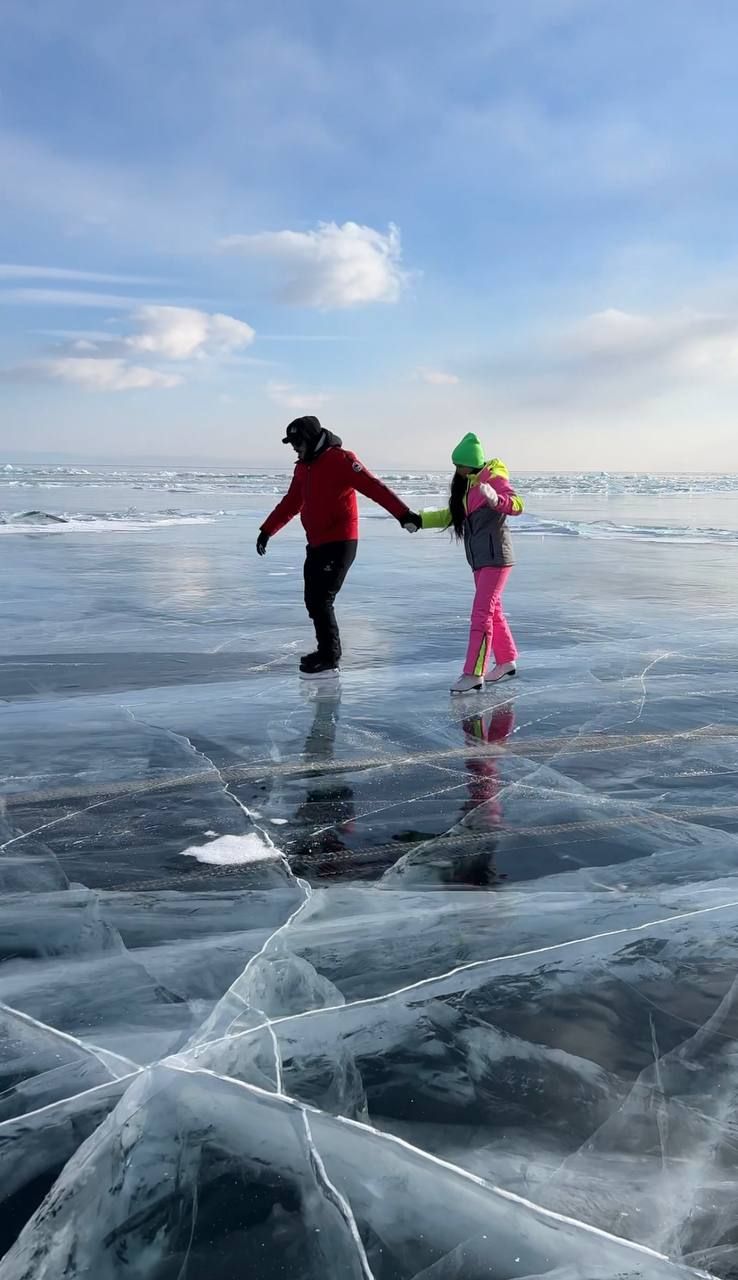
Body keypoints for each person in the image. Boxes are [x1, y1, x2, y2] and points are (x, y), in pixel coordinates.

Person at [257, 415, 421, 676]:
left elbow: (373, 487)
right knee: (313, 600)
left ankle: (330, 656)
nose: (294, 448)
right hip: (316, 543)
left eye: (297, 442)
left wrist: (403, 514)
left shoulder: (340, 460)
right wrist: (267, 530)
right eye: (292, 444)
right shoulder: (303, 467)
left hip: (340, 542)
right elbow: (291, 502)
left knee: (322, 599)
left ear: (310, 439)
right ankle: (326, 651)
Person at [416, 432, 524, 693]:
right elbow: (452, 516)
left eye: (459, 465)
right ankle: (507, 660)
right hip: (480, 559)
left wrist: (496, 500)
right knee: (492, 610)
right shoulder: (470, 487)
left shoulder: (493, 480)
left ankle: (474, 674)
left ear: (470, 463)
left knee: (481, 614)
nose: (457, 470)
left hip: (496, 558)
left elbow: (517, 505)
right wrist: (418, 520)